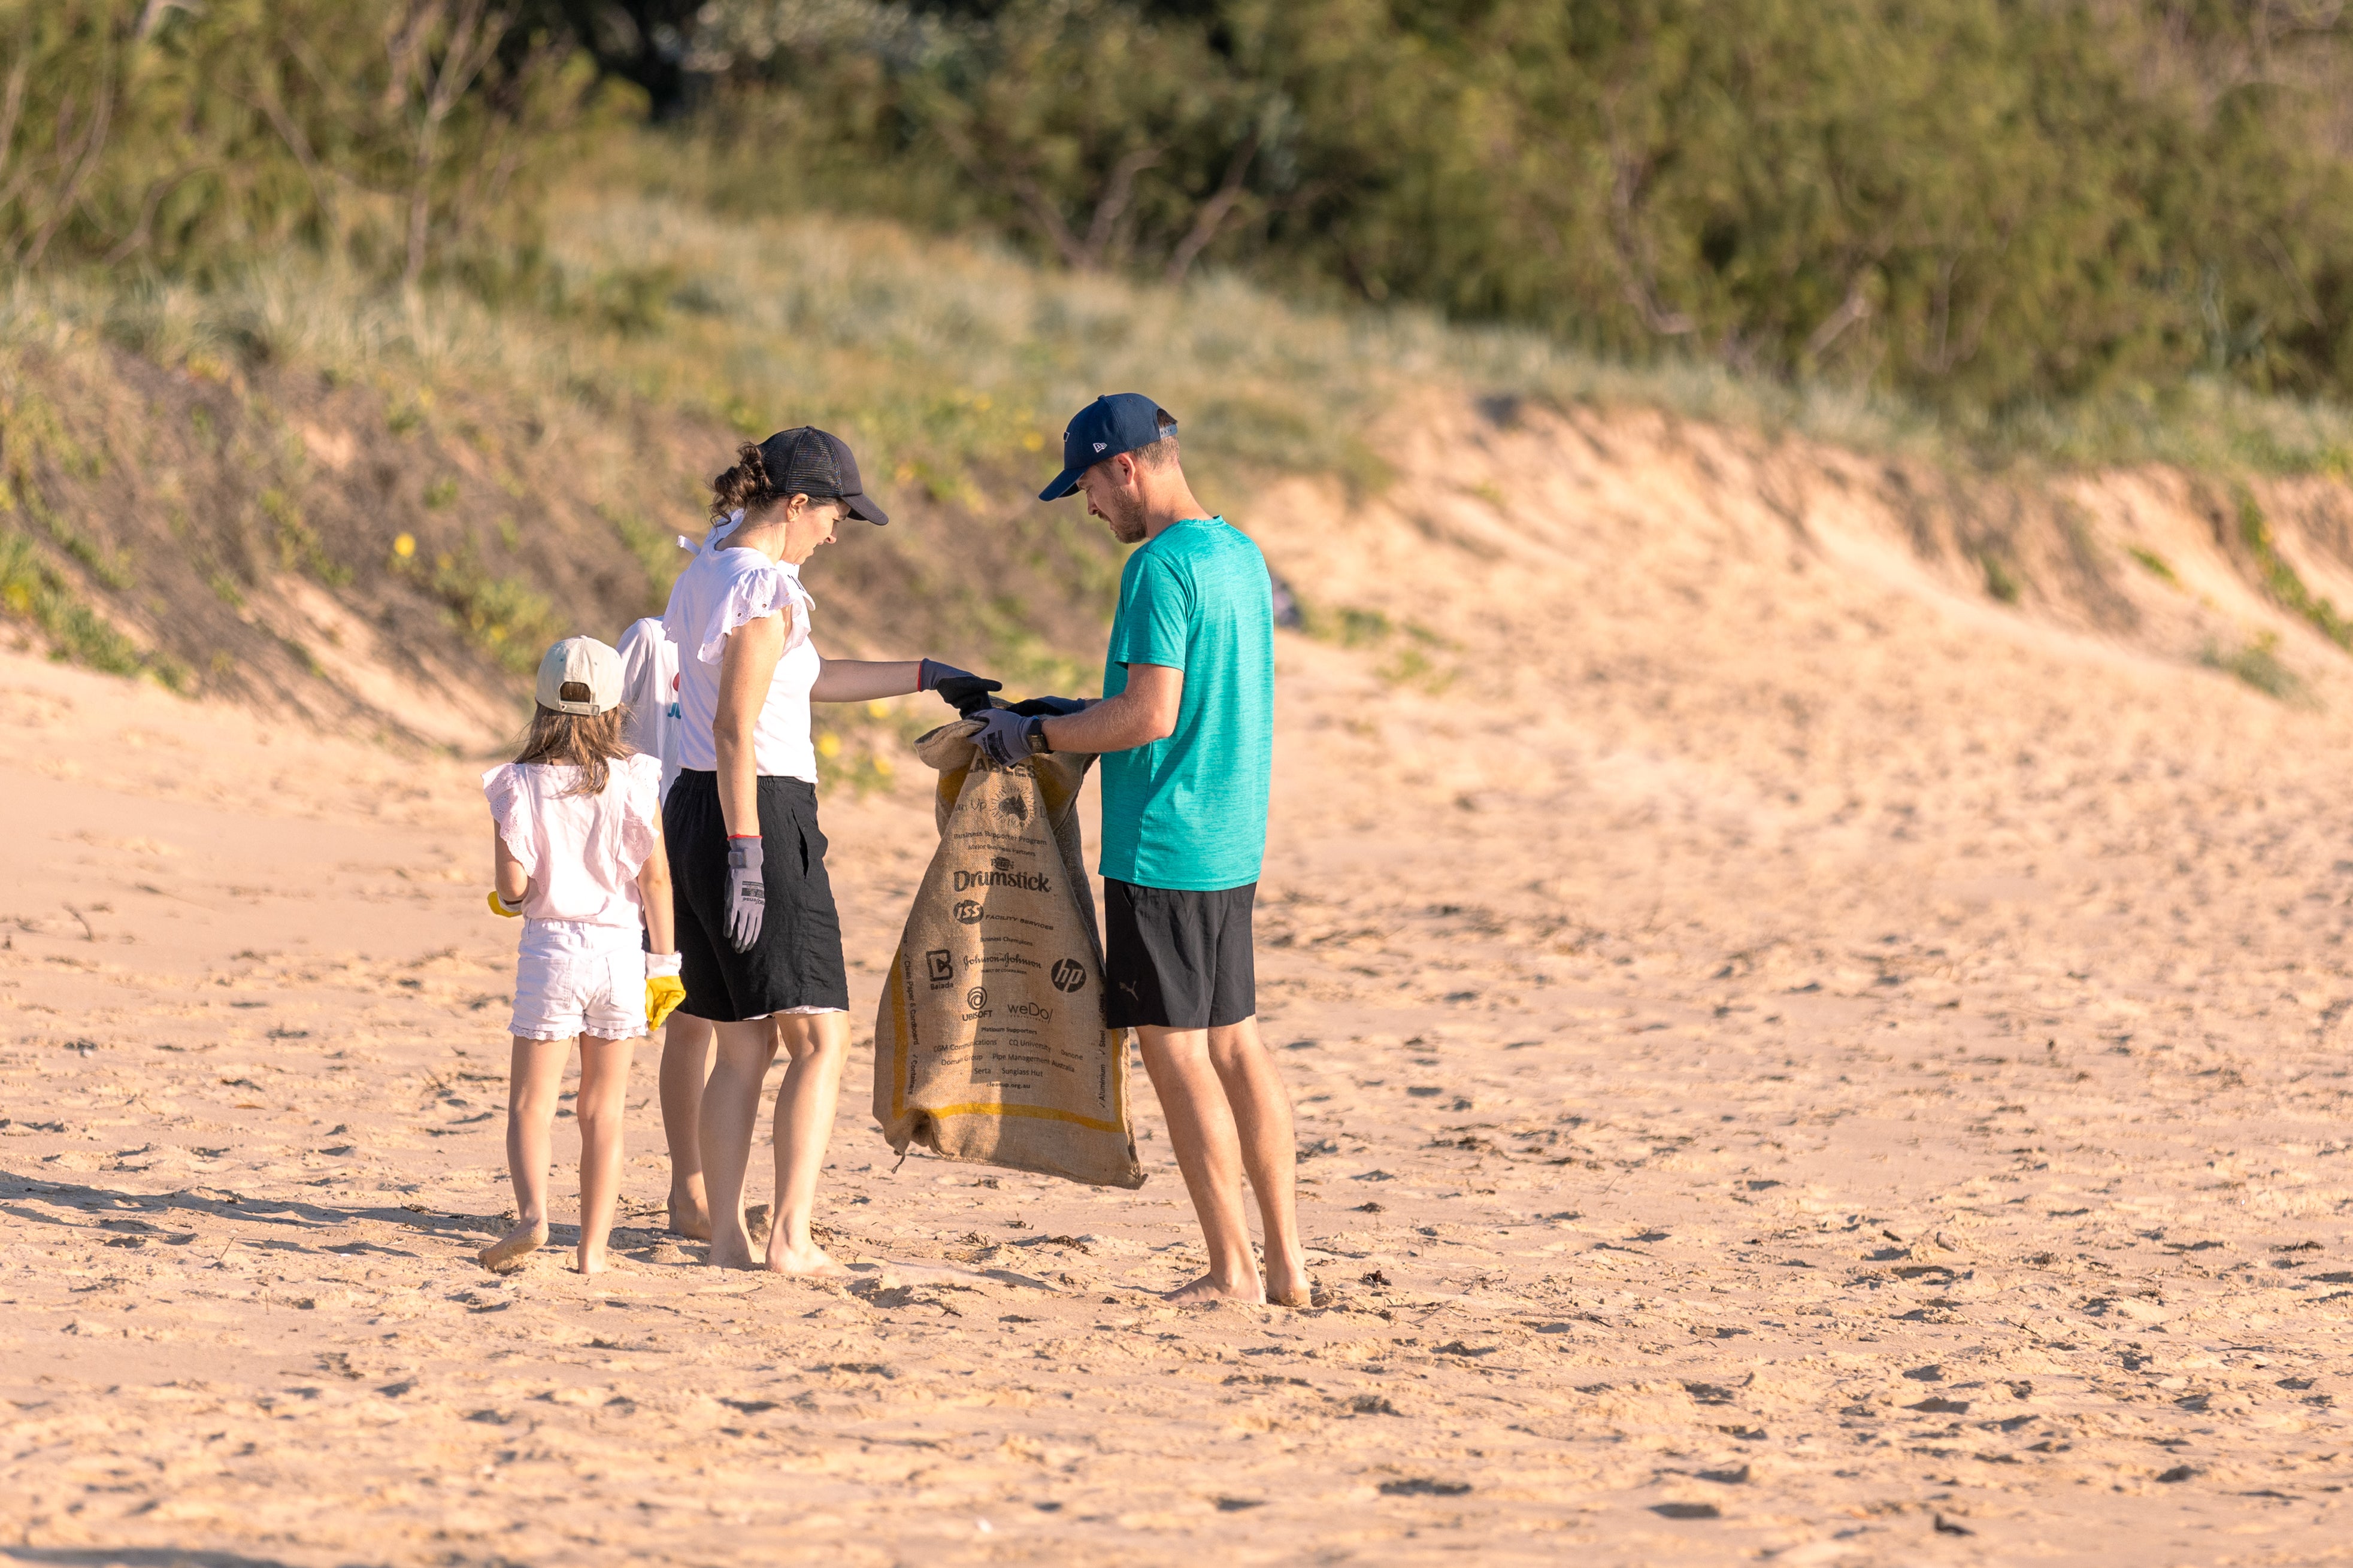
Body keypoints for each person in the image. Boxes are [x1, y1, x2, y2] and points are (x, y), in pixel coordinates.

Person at [970, 394, 1306, 1306]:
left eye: (1086, 486)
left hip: (1162, 842)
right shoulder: (1239, 553)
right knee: (1237, 1043)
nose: (1087, 508)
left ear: (1125, 467)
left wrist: (1034, 738)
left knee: (1176, 1051)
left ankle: (1231, 1270)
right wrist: (1056, 714)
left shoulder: (1159, 568)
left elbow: (1149, 715)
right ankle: (1286, 1264)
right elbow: (1172, 702)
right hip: (1231, 833)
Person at [663, 426, 994, 1273]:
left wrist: (925, 672)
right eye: (837, 513)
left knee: (743, 1040)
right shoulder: (766, 587)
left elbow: (801, 679)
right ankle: (790, 1237)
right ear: (797, 502)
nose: (839, 531)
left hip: (695, 806)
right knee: (819, 1037)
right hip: (757, 810)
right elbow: (738, 725)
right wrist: (748, 847)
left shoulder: (709, 569)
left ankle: (733, 1239)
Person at [480, 635, 679, 1276]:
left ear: (541, 703)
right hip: (622, 951)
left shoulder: (518, 784)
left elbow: (514, 891)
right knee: (603, 1109)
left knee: (531, 1103)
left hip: (552, 950)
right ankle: (592, 1249)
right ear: (616, 707)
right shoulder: (636, 778)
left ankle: (533, 1217)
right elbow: (654, 882)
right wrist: (664, 965)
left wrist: (512, 897)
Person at [617, 615, 715, 1241]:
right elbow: (604, 730)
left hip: (717, 836)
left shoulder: (754, 634)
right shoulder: (652, 639)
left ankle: (698, 1190)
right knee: (661, 1023)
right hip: (651, 847)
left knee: (714, 1025)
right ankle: (685, 1190)